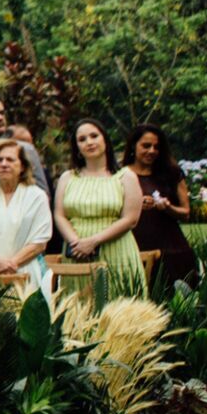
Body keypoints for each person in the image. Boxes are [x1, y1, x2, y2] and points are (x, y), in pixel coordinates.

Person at [55, 117, 146, 294]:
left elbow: (130, 219)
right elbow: (59, 215)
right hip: (77, 254)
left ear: (105, 139)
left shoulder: (125, 176)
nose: (89, 142)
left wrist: (94, 241)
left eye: (94, 136)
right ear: (77, 147)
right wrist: (76, 243)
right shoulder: (67, 177)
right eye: (82, 139)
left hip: (116, 250)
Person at [0, 137, 53, 305]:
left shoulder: (36, 196)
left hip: (25, 272)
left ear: (22, 166)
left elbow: (39, 243)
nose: (4, 164)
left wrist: (8, 266)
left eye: (10, 159)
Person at [126, 123, 195, 288]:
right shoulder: (121, 175)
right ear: (134, 146)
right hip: (135, 248)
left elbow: (186, 212)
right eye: (146, 146)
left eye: (156, 147)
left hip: (172, 249)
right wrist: (135, 203)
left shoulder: (171, 173)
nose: (151, 151)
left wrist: (168, 207)